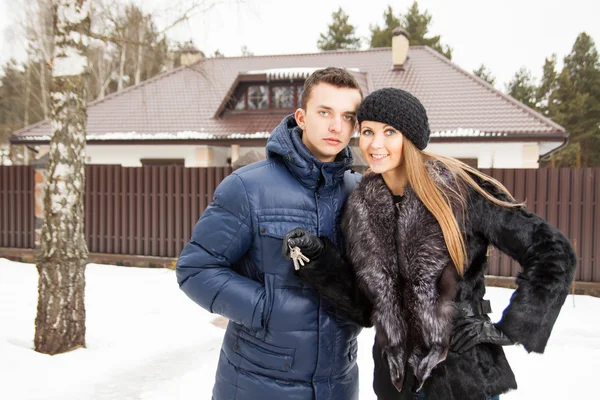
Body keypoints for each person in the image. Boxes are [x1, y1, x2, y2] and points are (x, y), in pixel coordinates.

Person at [283, 88, 577, 400]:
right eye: (367, 131)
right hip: (397, 385)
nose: (375, 144)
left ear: (410, 138)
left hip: (461, 381)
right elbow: (368, 307)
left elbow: (552, 252)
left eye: (390, 132)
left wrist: (512, 327)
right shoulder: (361, 208)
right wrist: (318, 260)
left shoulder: (458, 192)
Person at [176, 67, 364, 400]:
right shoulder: (249, 187)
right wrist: (266, 309)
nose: (337, 126)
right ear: (302, 117)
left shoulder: (360, 194)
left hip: (338, 385)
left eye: (347, 117)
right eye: (325, 112)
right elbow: (196, 269)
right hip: (257, 383)